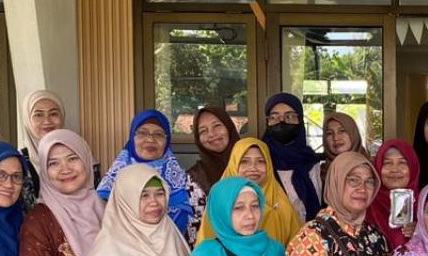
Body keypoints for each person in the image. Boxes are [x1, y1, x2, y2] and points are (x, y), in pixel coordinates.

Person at [98, 109, 206, 244]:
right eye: (142, 133)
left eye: (158, 134)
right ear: (132, 138)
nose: (150, 139)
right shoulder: (114, 182)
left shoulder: (187, 184)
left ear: (167, 141)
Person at [196, 139, 302, 246]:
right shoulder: (219, 203)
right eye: (244, 161)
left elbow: (298, 249)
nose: (253, 168)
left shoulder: (281, 205)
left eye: (261, 161)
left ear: (269, 166)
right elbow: (205, 247)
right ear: (234, 165)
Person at [262, 92, 323, 220]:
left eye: (289, 116)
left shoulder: (311, 162)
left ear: (300, 120)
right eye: (274, 117)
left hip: (309, 231)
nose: (281, 122)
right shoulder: (260, 160)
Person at [367, 139, 420, 252]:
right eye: (387, 163)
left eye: (402, 162)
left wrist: (424, 232)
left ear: (413, 167)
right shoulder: (366, 205)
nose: (395, 169)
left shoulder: (426, 206)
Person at [19, 89, 65, 209]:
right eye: (38, 115)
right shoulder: (17, 162)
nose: (47, 121)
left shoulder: (79, 156)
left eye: (53, 114)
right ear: (27, 120)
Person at [187, 104, 240, 200]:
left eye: (217, 126)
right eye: (203, 131)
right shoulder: (194, 177)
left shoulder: (251, 164)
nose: (211, 134)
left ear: (228, 127)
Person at [321, 112, 365, 187]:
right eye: (329, 133)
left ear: (353, 134)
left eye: (342, 131)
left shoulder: (371, 168)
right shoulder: (319, 173)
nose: (335, 138)